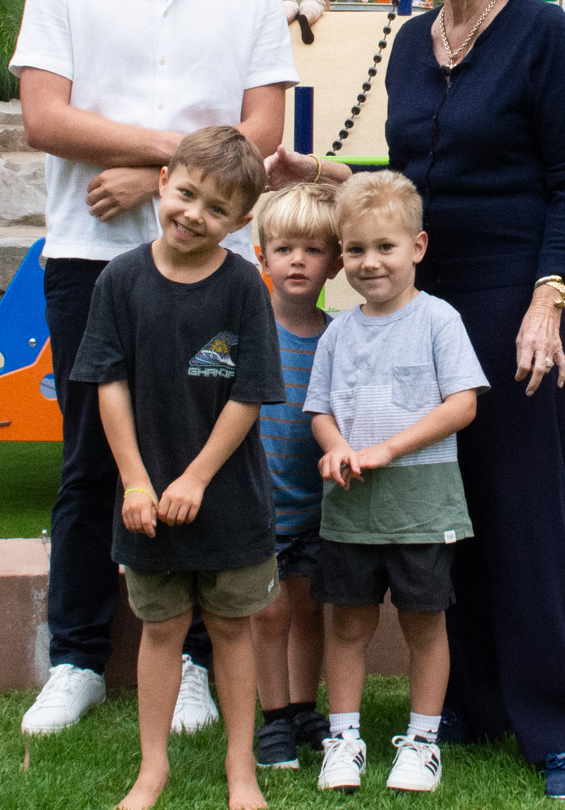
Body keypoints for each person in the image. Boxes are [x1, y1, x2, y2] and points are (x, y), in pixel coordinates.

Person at [266, 0, 565, 800]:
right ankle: (478, 699)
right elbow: (413, 179)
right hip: (416, 300)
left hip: (509, 298)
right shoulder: (414, 44)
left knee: (519, 509)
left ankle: (561, 725)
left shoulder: (539, 32)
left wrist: (549, 301)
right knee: (443, 514)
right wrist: (320, 174)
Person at [12, 0, 296, 742]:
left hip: (221, 267)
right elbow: (44, 117)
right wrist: (163, 158)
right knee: (93, 461)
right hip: (94, 257)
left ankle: (202, 669)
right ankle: (78, 659)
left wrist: (152, 174)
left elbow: (262, 132)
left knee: (218, 460)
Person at [70, 125, 287, 810]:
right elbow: (108, 384)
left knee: (230, 629)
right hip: (145, 503)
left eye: (217, 209)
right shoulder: (119, 279)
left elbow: (250, 392)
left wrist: (196, 478)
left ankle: (240, 770)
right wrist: (136, 480)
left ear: (241, 220)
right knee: (161, 630)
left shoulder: (245, 287)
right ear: (163, 181)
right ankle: (151, 771)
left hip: (230, 500)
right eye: (187, 194)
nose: (195, 214)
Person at [305, 172, 488, 795]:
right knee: (348, 625)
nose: (369, 262)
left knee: (424, 625)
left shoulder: (439, 320)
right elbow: (321, 411)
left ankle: (422, 741)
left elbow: (462, 404)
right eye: (355, 250)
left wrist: (388, 447)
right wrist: (336, 450)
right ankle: (345, 739)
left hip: (423, 506)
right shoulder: (336, 331)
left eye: (385, 246)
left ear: (418, 246)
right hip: (351, 508)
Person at [249, 182, 340, 771]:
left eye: (312, 249)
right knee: (268, 612)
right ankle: (274, 718)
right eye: (284, 249)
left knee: (309, 608)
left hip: (319, 505)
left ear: (335, 259)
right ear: (262, 258)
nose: (298, 261)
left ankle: (307, 708)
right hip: (259, 504)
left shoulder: (341, 335)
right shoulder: (247, 329)